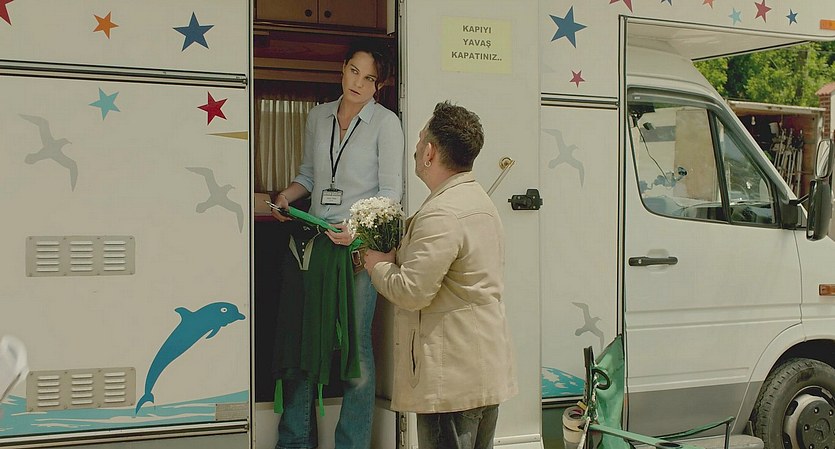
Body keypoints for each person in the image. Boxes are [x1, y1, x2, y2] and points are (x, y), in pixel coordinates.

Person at [271, 39, 404, 449]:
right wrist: (286, 197)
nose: (358, 83)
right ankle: (296, 440)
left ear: (379, 85)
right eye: (353, 71)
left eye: (369, 79)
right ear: (343, 68)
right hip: (314, 242)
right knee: (305, 340)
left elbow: (391, 194)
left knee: (355, 347)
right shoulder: (318, 116)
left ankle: (352, 443)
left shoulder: (386, 124)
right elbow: (309, 176)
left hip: (357, 249)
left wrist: (356, 229)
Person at [363, 101, 517, 449]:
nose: (416, 148)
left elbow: (412, 291)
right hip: (480, 373)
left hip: (451, 383)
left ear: (430, 152)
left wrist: (376, 265)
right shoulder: (477, 201)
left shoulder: (442, 213)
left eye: (420, 140)